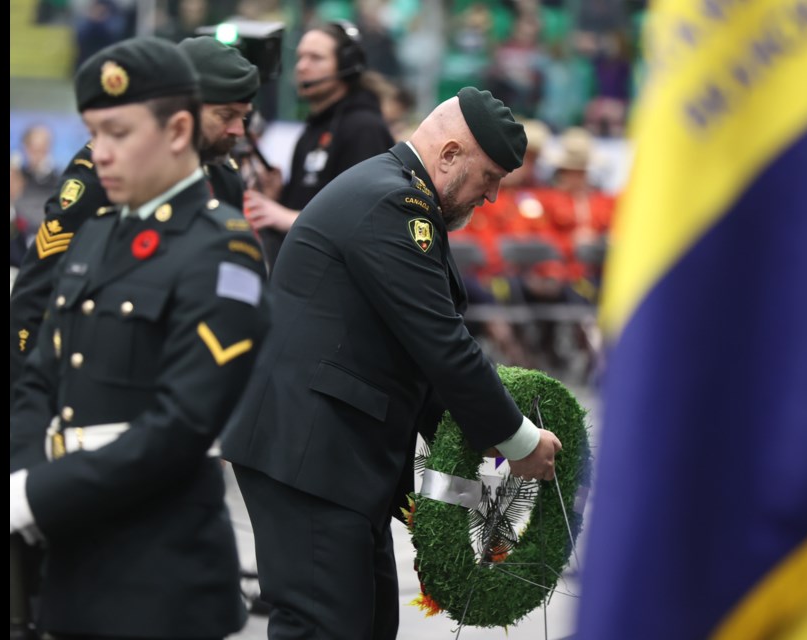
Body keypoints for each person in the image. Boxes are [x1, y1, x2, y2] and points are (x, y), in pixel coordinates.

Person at [221, 87, 563, 639]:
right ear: (449, 156)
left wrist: (480, 478)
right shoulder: (394, 203)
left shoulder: (399, 197)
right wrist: (519, 443)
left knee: (371, 624)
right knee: (325, 628)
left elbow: (414, 365)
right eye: (489, 177)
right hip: (311, 456)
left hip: (337, 457)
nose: (493, 197)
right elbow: (442, 345)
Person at [9, 36, 271, 640]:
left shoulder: (221, 246)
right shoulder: (99, 235)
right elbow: (41, 374)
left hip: (160, 568)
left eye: (118, 133)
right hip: (72, 547)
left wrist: (32, 494)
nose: (98, 153)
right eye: (93, 133)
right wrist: (25, 477)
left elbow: (181, 424)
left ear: (178, 130)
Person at [9, 34, 263, 404]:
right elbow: (37, 294)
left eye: (243, 117)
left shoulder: (225, 177)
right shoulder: (103, 174)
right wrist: (22, 405)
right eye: (225, 116)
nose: (237, 131)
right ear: (182, 114)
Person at [243, 19, 395, 271]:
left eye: (315, 58)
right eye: (300, 57)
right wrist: (279, 197)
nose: (302, 67)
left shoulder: (364, 128)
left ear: (347, 65)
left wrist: (284, 216)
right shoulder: (314, 128)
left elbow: (365, 221)